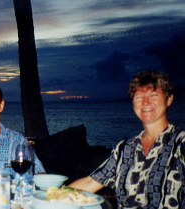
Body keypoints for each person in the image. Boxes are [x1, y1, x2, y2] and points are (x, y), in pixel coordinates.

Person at [69, 70, 185, 208]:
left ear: (169, 99)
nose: (146, 102)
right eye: (138, 97)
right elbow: (90, 183)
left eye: (153, 95)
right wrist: (50, 196)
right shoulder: (125, 149)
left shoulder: (180, 143)